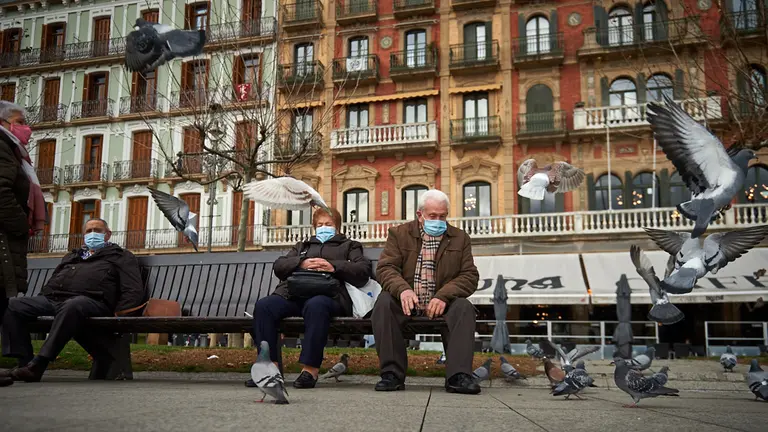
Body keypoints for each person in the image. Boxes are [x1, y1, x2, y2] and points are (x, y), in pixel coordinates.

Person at [0, 218, 147, 384]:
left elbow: (133, 288)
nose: (93, 234)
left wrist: (120, 314)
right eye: (89, 231)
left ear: (108, 234)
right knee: (13, 305)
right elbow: (55, 277)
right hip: (55, 298)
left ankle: (39, 364)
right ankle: (24, 362)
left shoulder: (121, 256)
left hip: (94, 301)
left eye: (97, 230)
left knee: (73, 305)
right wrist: (44, 296)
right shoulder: (73, 255)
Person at [248, 207, 372, 389]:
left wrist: (333, 266)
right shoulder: (303, 246)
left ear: (337, 227)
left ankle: (310, 370)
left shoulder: (349, 246)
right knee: (264, 306)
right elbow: (279, 266)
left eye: (328, 224)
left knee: (316, 306)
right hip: (293, 295)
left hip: (329, 297)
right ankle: (269, 371)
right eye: (320, 224)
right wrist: (301, 262)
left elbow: (363, 271)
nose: (324, 227)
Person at [372, 189, 481, 394]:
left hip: (443, 305)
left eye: (443, 216)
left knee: (464, 307)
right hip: (406, 303)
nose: (438, 220)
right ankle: (392, 374)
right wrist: (403, 290)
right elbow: (386, 269)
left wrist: (443, 296)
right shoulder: (399, 234)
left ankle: (458, 376)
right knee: (384, 302)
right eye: (433, 216)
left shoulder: (460, 238)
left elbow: (469, 275)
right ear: (420, 215)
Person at [0, 101, 45, 387]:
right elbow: (1, 192)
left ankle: (25, 362)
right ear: (5, 122)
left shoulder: (13, 149)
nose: (26, 126)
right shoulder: (4, 146)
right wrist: (20, 225)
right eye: (20, 120)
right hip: (4, 238)